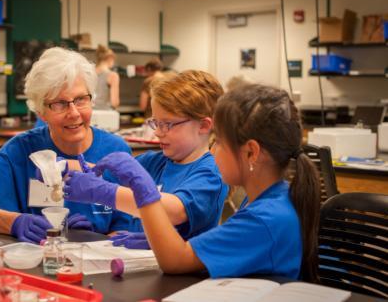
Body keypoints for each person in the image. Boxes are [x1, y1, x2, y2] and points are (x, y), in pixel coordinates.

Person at [83, 84, 321, 281]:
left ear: (251, 153)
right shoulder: (270, 198)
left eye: (219, 142)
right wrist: (159, 240)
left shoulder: (267, 217)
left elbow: (174, 262)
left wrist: (144, 191)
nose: (213, 151)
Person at [0, 47, 132, 243]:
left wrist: (97, 238)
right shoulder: (20, 150)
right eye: (59, 103)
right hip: (38, 260)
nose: (73, 113)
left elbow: (129, 225)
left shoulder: (116, 152)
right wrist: (15, 222)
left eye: (81, 99)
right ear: (40, 112)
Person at [64, 70, 229, 248]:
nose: (157, 132)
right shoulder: (155, 162)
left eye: (167, 124)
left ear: (203, 126)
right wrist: (59, 166)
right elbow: (98, 171)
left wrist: (105, 193)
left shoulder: (213, 173)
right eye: (156, 123)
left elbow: (174, 211)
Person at [93, 44, 119, 110]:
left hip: (90, 112)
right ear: (110, 58)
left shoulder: (89, 73)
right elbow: (114, 103)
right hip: (105, 113)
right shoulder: (113, 75)